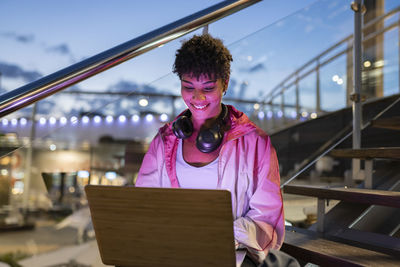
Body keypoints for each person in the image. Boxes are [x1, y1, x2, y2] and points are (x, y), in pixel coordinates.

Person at [135, 34, 284, 266]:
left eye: (208, 87)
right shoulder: (163, 141)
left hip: (229, 257)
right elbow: (142, 205)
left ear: (225, 83)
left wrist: (213, 237)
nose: (197, 97)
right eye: (188, 87)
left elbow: (267, 219)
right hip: (171, 255)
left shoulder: (256, 143)